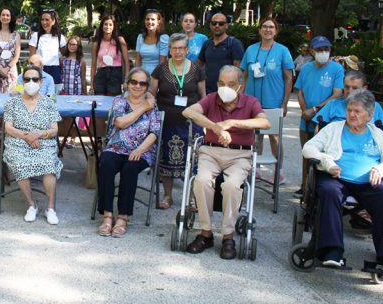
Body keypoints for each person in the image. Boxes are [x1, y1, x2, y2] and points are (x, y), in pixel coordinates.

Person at [302, 89, 383, 273]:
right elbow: (309, 148)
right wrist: (327, 161)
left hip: (368, 183)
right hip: (337, 178)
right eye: (350, 110)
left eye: (357, 111)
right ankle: (331, 252)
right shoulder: (334, 129)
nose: (352, 114)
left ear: (369, 115)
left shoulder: (376, 134)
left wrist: (381, 169)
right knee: (328, 192)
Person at [182, 65, 270, 260]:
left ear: (241, 86)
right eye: (222, 83)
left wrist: (232, 123)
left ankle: (228, 236)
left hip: (239, 155)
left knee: (231, 186)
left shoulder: (250, 102)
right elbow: (189, 112)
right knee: (202, 181)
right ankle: (206, 233)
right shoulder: (212, 98)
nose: (225, 87)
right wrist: (216, 128)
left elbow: (264, 123)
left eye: (231, 84)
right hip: (211, 151)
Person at [97, 68, 161, 237]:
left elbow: (155, 133)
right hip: (116, 146)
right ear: (127, 84)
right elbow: (120, 123)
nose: (138, 86)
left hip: (142, 150)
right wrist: (142, 107)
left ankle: (123, 217)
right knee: (106, 163)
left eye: (142, 83)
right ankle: (108, 215)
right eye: (134, 82)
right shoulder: (119, 101)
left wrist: (140, 150)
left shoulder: (153, 106)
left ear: (147, 86)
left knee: (130, 168)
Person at [150, 33, 205, 209]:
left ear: (187, 50)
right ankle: (167, 196)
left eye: (181, 48)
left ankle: (191, 198)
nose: (178, 51)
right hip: (167, 122)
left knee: (193, 161)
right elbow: (151, 95)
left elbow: (203, 98)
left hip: (191, 123)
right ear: (169, 50)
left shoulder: (197, 70)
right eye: (174, 48)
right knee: (167, 159)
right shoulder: (160, 69)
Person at [3, 65, 63, 225]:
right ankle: (32, 204)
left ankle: (50, 208)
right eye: (27, 79)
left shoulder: (49, 103)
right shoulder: (12, 102)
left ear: (41, 82)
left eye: (34, 79)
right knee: (19, 162)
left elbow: (55, 129)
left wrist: (38, 134)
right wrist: (27, 136)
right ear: (22, 81)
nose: (31, 82)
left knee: (49, 164)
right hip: (18, 142)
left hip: (43, 142)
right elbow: (8, 127)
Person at [239, 17, 294, 183]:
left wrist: (284, 103)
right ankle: (256, 168)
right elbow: (244, 75)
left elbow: (289, 78)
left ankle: (279, 170)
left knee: (274, 136)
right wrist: (240, 98)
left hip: (273, 101)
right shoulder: (250, 50)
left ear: (276, 31)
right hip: (252, 101)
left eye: (271, 27)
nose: (267, 30)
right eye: (264, 26)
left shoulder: (283, 51)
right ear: (259, 30)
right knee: (255, 136)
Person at [295, 35, 344, 195]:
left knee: (326, 153)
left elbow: (337, 94)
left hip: (326, 119)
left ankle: (321, 187)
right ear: (311, 51)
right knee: (307, 152)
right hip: (306, 117)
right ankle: (305, 186)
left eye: (326, 49)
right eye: (319, 49)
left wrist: (315, 109)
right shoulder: (307, 68)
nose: (323, 52)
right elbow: (299, 90)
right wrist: (304, 110)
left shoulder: (337, 69)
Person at [313, 70, 383, 136]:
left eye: (354, 88)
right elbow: (317, 132)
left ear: (364, 88)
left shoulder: (374, 106)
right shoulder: (332, 104)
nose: (349, 91)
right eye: (347, 87)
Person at [197, 12, 245, 93]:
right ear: (210, 25)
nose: (217, 26)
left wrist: (237, 92)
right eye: (214, 23)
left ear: (226, 26)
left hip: (227, 91)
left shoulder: (234, 44)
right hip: (208, 92)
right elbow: (198, 64)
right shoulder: (207, 44)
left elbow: (239, 71)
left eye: (221, 24)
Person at [29, 8, 67, 92]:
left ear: (53, 21)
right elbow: (31, 57)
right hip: (39, 70)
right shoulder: (36, 36)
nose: (44, 22)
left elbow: (65, 54)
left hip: (55, 70)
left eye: (47, 20)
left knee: (54, 95)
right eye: (42, 20)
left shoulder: (60, 37)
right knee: (38, 94)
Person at [91, 14, 129, 96]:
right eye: (105, 24)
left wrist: (126, 80)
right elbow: (93, 65)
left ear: (114, 26)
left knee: (111, 104)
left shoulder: (120, 40)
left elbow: (126, 62)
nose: (108, 27)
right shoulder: (96, 43)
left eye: (110, 24)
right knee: (99, 103)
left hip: (115, 75)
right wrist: (91, 85)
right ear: (102, 26)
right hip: (101, 75)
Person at [135, 9, 169, 76]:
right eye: (147, 19)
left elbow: (162, 63)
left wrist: (155, 79)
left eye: (153, 19)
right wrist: (136, 75)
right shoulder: (140, 37)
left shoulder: (163, 38)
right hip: (142, 74)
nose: (149, 21)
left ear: (158, 21)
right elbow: (137, 60)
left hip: (157, 74)